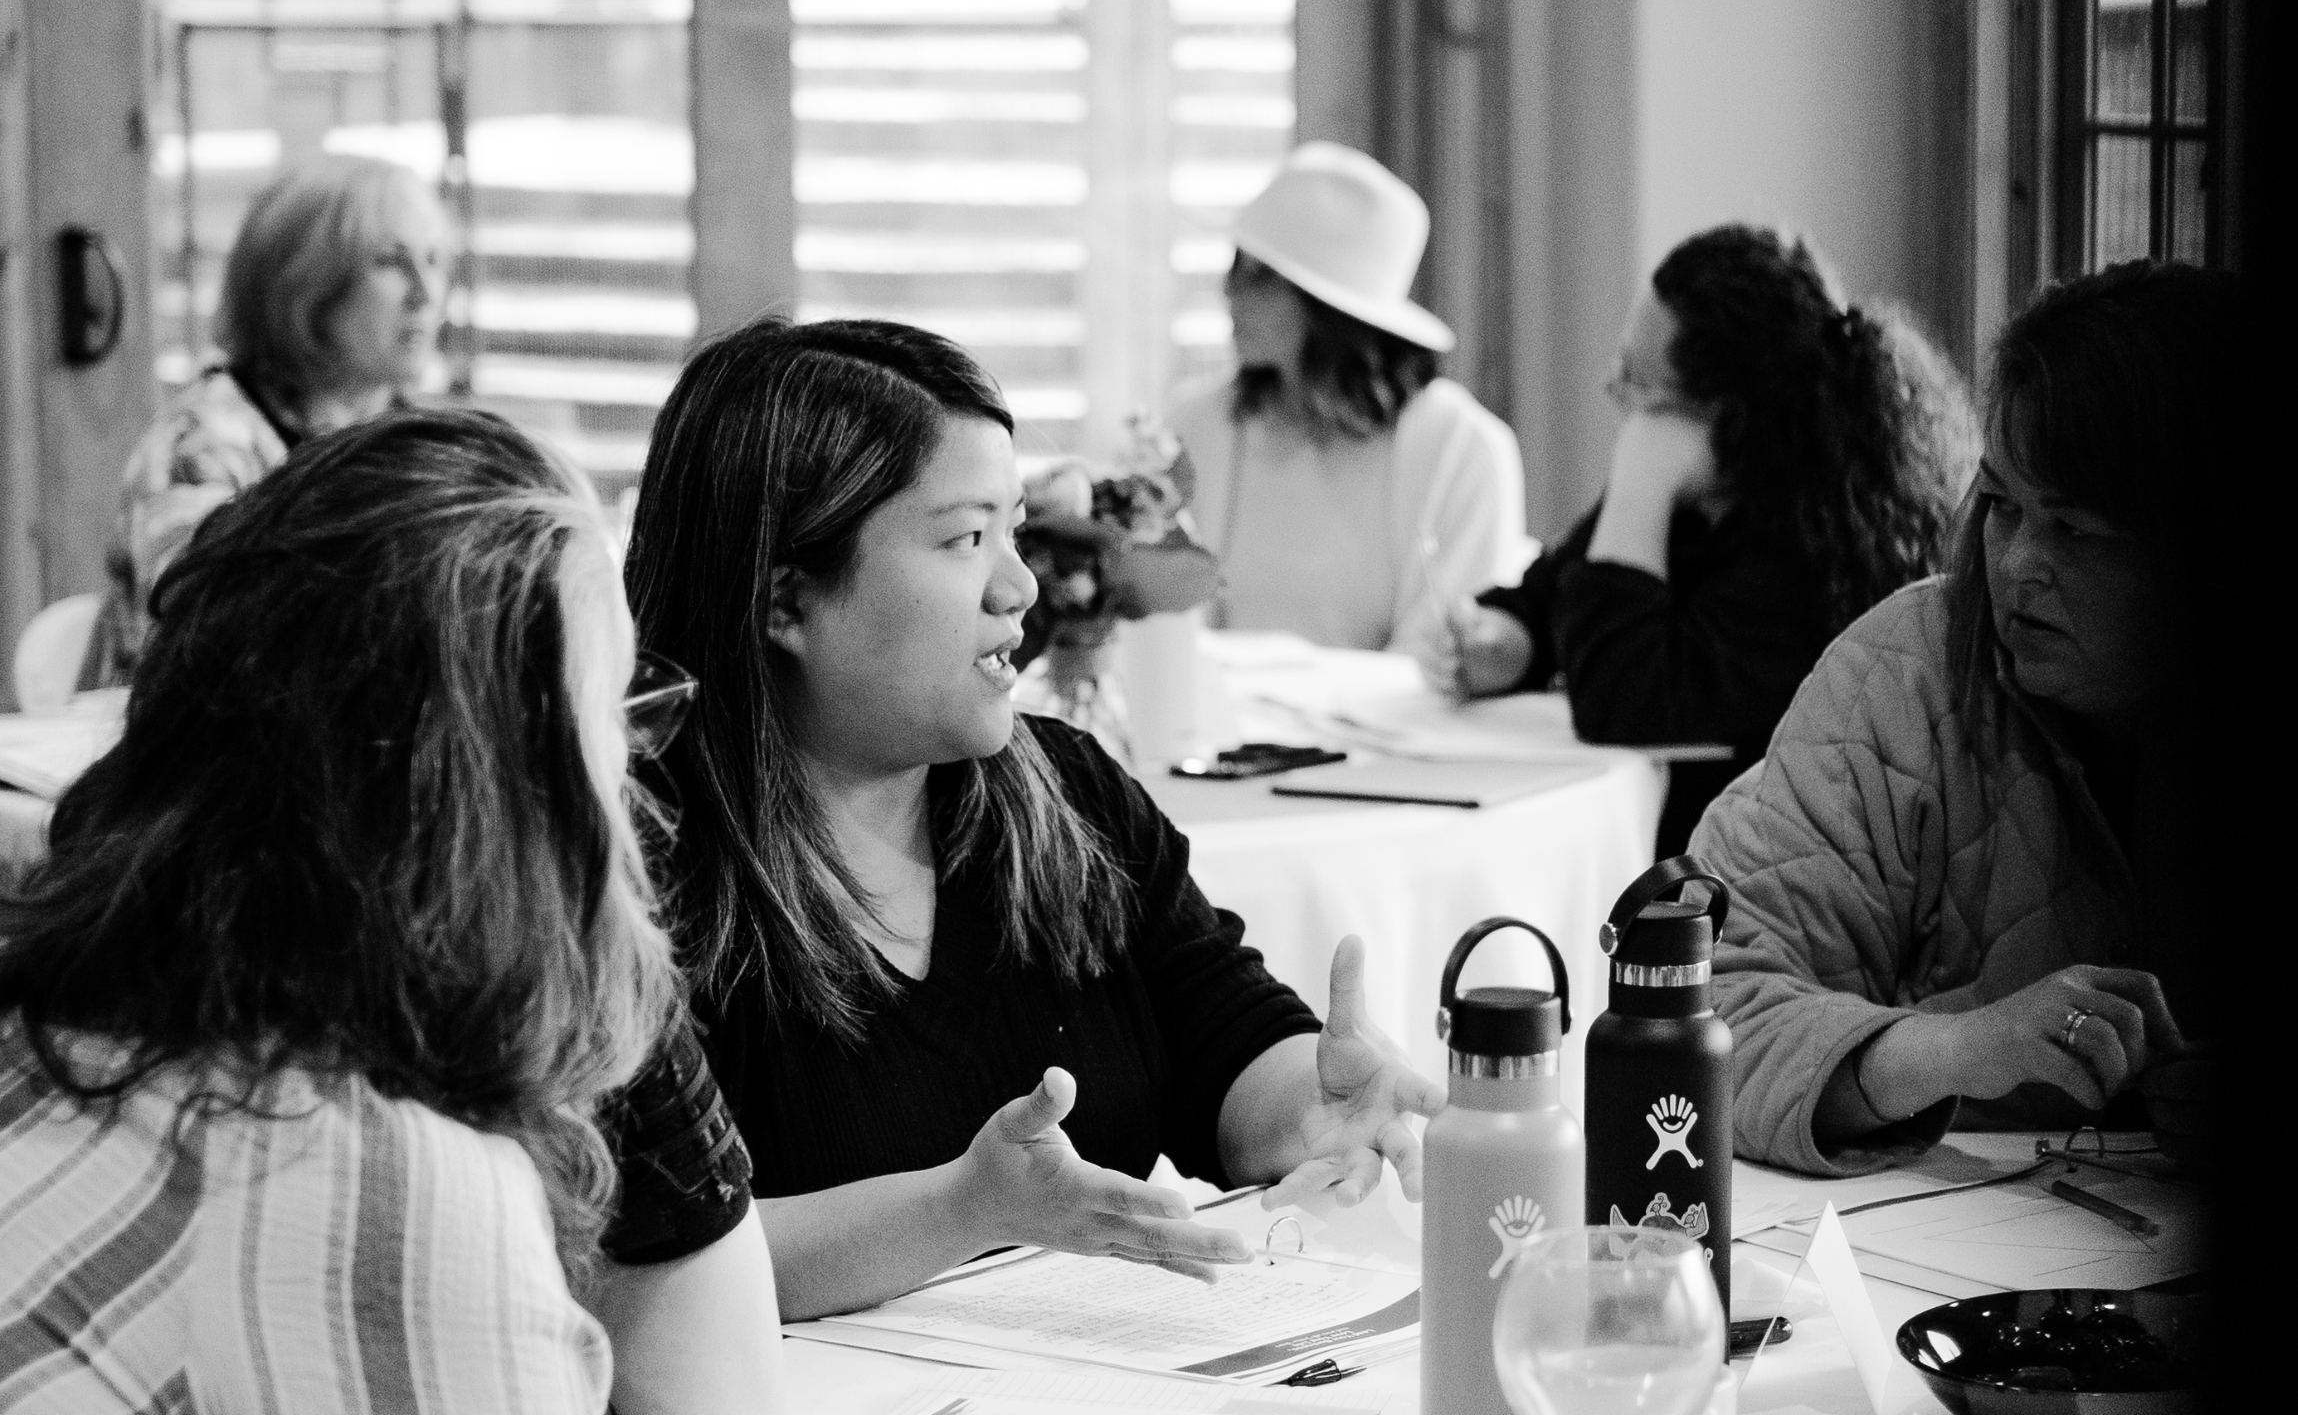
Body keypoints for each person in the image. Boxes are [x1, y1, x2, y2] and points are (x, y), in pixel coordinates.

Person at [625, 316, 1445, 1320]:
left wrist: (1312, 1106)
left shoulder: (1066, 793)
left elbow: (1223, 1044)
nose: (1020, 587)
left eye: (1015, 530)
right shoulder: (637, 864)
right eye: (966, 539)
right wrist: (962, 1210)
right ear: (784, 601)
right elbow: (636, 1257)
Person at [0, 409, 780, 1413]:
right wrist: (593, 940)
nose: (632, 796)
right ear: (515, 802)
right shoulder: (381, 1195)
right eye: (612, 725)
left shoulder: (65, 1031)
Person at [1691, 261, 2253, 1176]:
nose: (2017, 564)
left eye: (2074, 529)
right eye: (1999, 504)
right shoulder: (1906, 673)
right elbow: (1704, 1006)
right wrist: (1956, 1049)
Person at [1435, 226, 1977, 855]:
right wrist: (1509, 642)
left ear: (1725, 414)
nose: (1612, 390)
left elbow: (1621, 700)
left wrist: (1642, 479)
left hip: (1734, 881)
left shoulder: (1814, 560)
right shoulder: (1695, 505)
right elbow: (1556, 589)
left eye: (1638, 382)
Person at [79, 154, 448, 688]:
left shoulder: (424, 441)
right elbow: (210, 651)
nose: (425, 293)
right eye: (391, 262)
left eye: (434, 260)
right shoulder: (199, 446)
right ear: (305, 284)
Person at [1167, 141, 1529, 660]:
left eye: (1262, 275)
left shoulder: (1461, 448)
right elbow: (1167, 637)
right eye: (1235, 266)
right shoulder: (1195, 426)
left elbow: (1441, 663)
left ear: (1330, 311)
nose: (1230, 292)